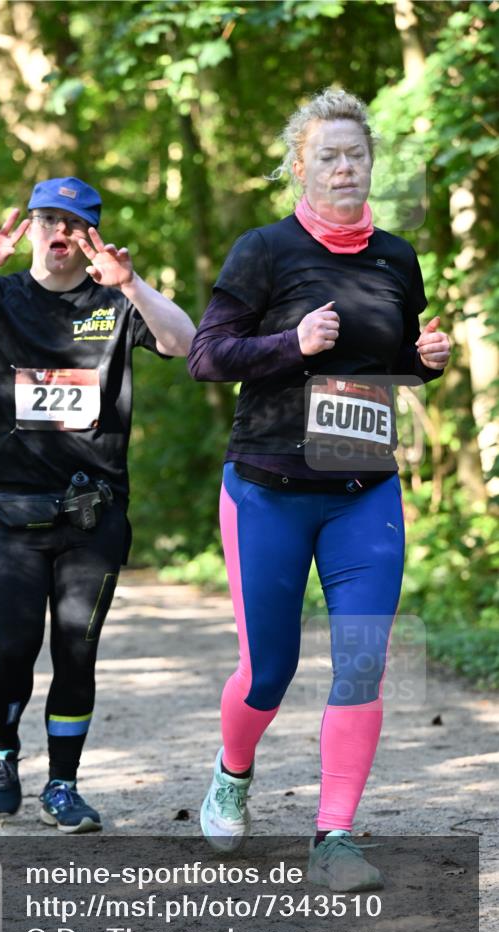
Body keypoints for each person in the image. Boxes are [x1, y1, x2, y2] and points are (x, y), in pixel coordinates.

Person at [188, 89, 451, 889]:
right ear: (299, 167)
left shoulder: (396, 258)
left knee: (362, 661)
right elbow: (206, 356)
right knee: (267, 671)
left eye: (355, 155)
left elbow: (385, 365)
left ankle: (333, 835)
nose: (344, 168)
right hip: (267, 487)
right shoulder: (264, 250)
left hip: (363, 489)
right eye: (328, 156)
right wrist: (290, 342)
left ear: (371, 164)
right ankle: (233, 772)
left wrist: (423, 363)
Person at [0, 176, 195, 831]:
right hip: (13, 515)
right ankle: (1, 748)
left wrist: (132, 285)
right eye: (49, 220)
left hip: (94, 516)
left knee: (75, 651)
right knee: (14, 648)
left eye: (75, 222)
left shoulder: (114, 302)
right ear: (30, 228)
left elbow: (185, 343)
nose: (60, 232)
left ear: (90, 235)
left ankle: (63, 784)